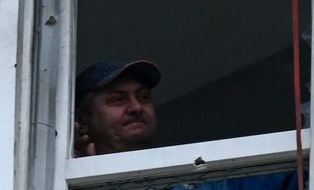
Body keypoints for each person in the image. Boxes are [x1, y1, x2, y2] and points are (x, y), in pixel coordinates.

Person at [73, 59, 301, 190]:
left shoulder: (198, 181)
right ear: (82, 121)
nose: (136, 107)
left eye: (143, 97)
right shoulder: (65, 184)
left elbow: (298, 180)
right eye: (117, 99)